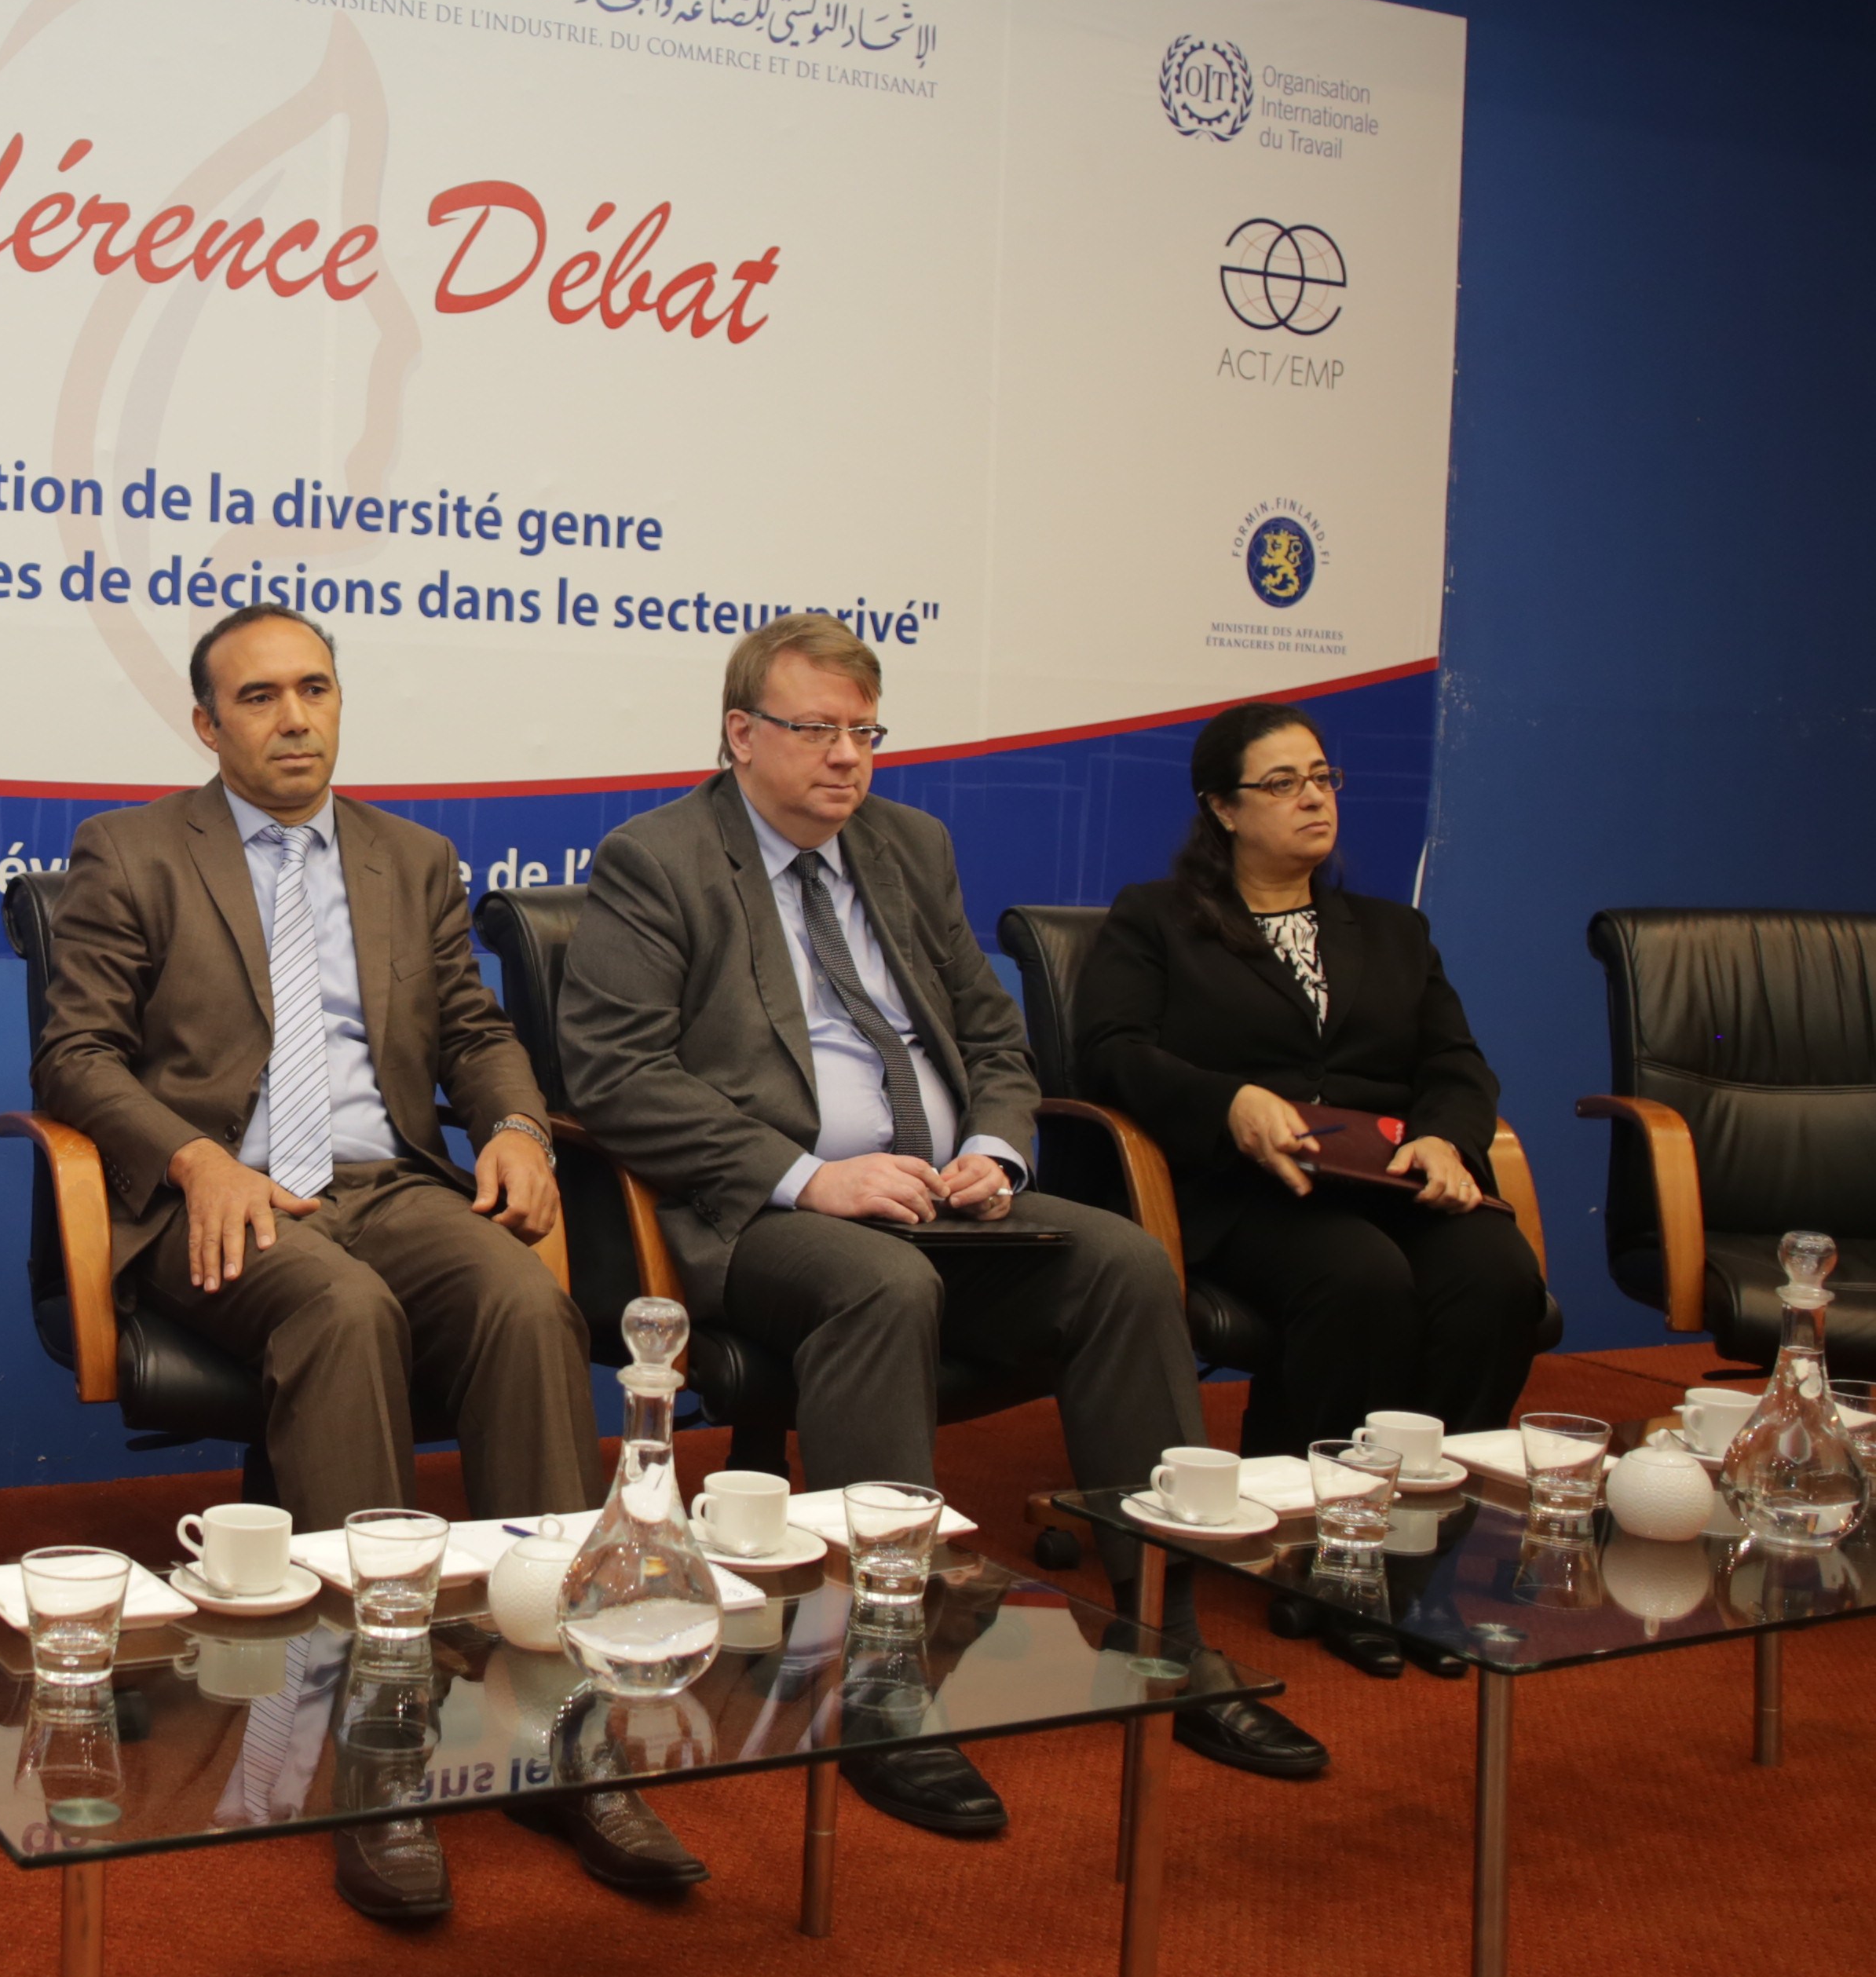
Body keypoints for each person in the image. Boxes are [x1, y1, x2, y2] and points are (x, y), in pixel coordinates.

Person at [555, 612, 1330, 1840]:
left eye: (866, 734)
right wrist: (811, 1177)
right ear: (741, 734)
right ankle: (881, 1678)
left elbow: (992, 1038)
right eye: (818, 731)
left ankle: (1167, 1635)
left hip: (940, 1195)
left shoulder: (910, 846)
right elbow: (617, 1075)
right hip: (765, 1215)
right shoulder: (659, 860)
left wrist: (996, 1149)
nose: (847, 759)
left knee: (1126, 1264)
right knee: (883, 1284)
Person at [31, 603, 701, 1922]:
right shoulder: (132, 851)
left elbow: (472, 1028)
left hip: (385, 1179)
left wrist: (513, 1126)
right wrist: (194, 1160)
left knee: (526, 1302)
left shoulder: (410, 857)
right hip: (223, 1199)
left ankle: (567, 1730)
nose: (294, 719)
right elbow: (77, 1056)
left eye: (315, 690)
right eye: (260, 697)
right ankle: (380, 1747)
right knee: (342, 1313)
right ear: (205, 722)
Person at [1074, 701, 1546, 1669]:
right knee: (1361, 1279)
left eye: (1323, 778)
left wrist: (1448, 1141)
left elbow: (1455, 1064)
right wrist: (1230, 1102)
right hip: (1246, 1187)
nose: (1313, 799)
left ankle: (1421, 1554)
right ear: (1223, 808)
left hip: (1387, 1181)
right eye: (1282, 783)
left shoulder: (1394, 931)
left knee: (1496, 1276)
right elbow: (1112, 1053)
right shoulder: (1156, 921)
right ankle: (1326, 1555)